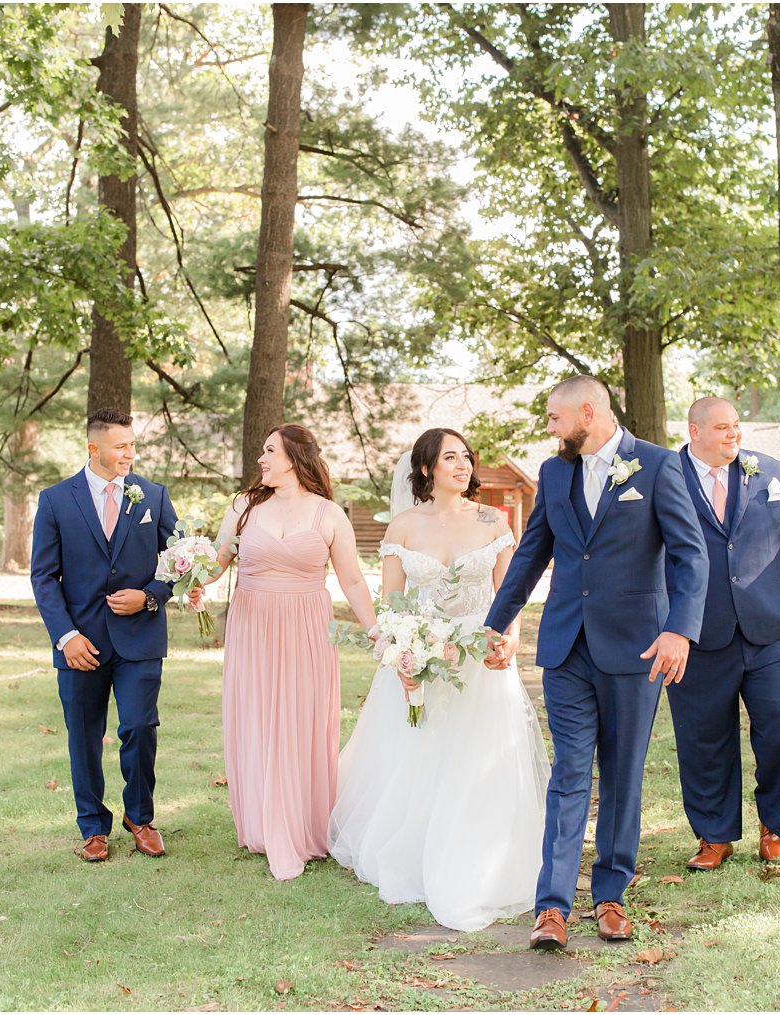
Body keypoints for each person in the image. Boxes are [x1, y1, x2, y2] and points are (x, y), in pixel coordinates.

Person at [484, 375, 708, 950]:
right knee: (569, 775)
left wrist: (679, 629)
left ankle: (610, 895)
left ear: (588, 412)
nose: (550, 428)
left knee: (623, 775)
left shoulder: (658, 466)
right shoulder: (555, 473)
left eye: (556, 418)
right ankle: (552, 908)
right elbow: (534, 552)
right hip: (565, 648)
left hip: (637, 647)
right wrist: (494, 622)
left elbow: (690, 555)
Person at [329, 429, 549, 932]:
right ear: (426, 468)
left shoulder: (493, 519)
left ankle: (480, 852)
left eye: (466, 457)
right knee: (421, 751)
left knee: (478, 752)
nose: (463, 465)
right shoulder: (403, 527)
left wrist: (509, 637)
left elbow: (508, 589)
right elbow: (392, 604)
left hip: (481, 654)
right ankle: (416, 847)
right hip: (421, 655)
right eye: (450, 457)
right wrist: (405, 652)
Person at [191, 425, 377, 880]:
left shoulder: (329, 514)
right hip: (253, 624)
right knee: (257, 718)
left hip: (307, 627)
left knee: (300, 721)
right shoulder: (243, 507)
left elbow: (351, 580)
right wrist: (194, 583)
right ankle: (261, 822)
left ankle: (301, 825)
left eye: (269, 449)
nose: (261, 457)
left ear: (294, 456)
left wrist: (377, 631)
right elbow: (216, 563)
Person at [666, 397, 780, 871]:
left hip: (774, 626)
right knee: (702, 736)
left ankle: (774, 824)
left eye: (736, 426)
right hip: (696, 633)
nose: (733, 435)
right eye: (721, 428)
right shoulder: (664, 476)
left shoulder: (772, 472)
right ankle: (713, 835)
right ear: (694, 432)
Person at [30, 408, 179, 862]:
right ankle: (93, 827)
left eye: (132, 445)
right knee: (83, 736)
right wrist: (66, 636)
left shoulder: (153, 496)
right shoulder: (56, 501)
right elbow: (43, 577)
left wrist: (150, 596)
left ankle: (141, 816)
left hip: (140, 639)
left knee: (139, 727)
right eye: (121, 446)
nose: (129, 453)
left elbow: (178, 562)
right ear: (94, 449)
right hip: (82, 645)